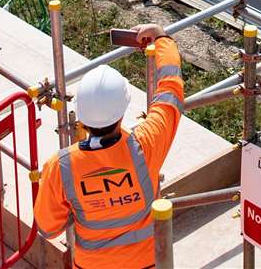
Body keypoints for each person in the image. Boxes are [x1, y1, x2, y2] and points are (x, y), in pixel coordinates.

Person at [34, 25, 185, 267]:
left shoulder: (60, 167)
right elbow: (170, 91)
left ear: (80, 115)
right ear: (123, 110)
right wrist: (161, 38)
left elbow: (48, 228)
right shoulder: (146, 144)